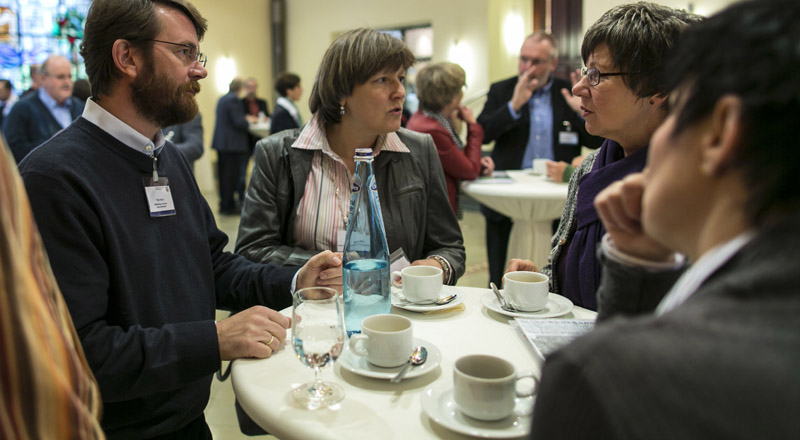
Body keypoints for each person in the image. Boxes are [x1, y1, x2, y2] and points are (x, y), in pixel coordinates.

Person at [18, 1, 341, 437]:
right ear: (126, 57)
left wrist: (294, 280)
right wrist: (214, 340)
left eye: (197, 55)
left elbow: (211, 264)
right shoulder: (54, 179)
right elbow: (79, 352)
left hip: (187, 419)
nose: (199, 70)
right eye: (184, 52)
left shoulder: (165, 155)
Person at [530, 1, 800, 437]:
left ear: (720, 132)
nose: (580, 87)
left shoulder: (593, 380)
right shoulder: (594, 170)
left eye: (682, 109)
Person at [508, 3, 701, 310]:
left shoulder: (693, 188)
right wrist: (543, 281)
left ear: (658, 90)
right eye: (585, 71)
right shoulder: (592, 167)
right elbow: (568, 273)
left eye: (596, 75)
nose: (579, 86)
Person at [236, 28, 465, 285]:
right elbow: (252, 251)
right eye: (383, 80)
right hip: (312, 314)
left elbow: (450, 248)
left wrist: (439, 265)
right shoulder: (278, 154)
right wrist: (321, 269)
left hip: (394, 317)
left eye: (400, 78)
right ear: (341, 92)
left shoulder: (420, 149)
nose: (400, 91)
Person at [477, 31, 602, 286]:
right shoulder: (503, 90)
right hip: (508, 197)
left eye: (537, 61)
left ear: (553, 63)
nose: (528, 67)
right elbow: (482, 133)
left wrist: (581, 115)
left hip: (556, 195)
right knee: (499, 272)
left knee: (555, 269)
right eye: (524, 59)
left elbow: (595, 141)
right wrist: (513, 106)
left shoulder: (569, 91)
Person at [0, 139, 104, 440]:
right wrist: (210, 341)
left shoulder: (168, 158)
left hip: (184, 411)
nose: (195, 87)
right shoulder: (49, 173)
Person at [407, 62, 493, 216]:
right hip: (437, 212)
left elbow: (455, 162)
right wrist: (473, 125)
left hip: (431, 207)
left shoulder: (428, 119)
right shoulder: (432, 129)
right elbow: (469, 171)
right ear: (454, 96)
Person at [4, 55, 84, 163]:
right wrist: (51, 144)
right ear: (43, 78)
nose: (67, 82)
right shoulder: (22, 108)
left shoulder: (79, 106)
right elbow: (11, 151)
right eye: (60, 77)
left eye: (70, 77)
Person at [212, 77, 255, 215]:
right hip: (232, 145)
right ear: (240, 88)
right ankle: (228, 205)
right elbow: (238, 122)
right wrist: (248, 121)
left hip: (223, 143)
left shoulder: (222, 99)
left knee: (224, 176)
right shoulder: (233, 100)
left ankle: (224, 203)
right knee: (230, 177)